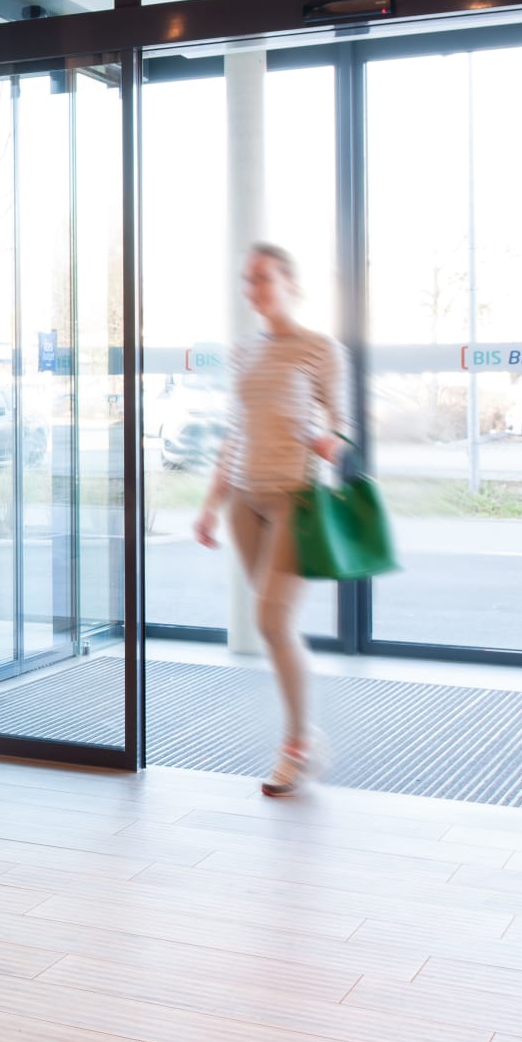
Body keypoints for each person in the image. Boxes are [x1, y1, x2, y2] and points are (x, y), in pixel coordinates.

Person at [192, 242, 345, 798]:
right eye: (246, 279)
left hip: (293, 501)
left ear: (291, 284)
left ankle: (298, 746)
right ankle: (305, 739)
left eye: (262, 277)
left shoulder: (320, 349)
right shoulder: (243, 351)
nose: (252, 288)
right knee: (276, 625)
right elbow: (235, 433)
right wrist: (212, 504)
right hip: (244, 502)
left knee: (271, 620)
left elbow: (344, 425)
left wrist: (332, 442)